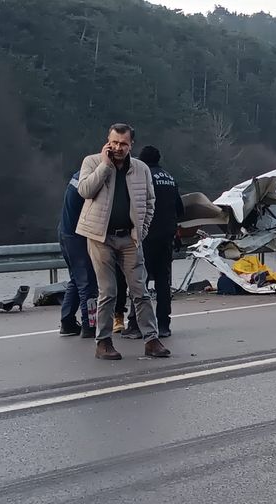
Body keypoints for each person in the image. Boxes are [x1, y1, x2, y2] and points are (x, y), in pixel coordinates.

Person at [76, 123, 170, 360]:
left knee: (140, 290)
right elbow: (85, 190)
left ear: (131, 145)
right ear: (107, 141)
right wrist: (106, 167)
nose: (118, 147)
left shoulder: (141, 169)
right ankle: (103, 342)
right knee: (107, 291)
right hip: (100, 236)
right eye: (114, 142)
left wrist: (143, 229)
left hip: (129, 237)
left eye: (123, 144)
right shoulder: (92, 162)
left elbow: (150, 201)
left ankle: (151, 340)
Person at [122, 145, 183, 339]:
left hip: (145, 236)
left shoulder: (143, 177)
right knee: (164, 282)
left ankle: (135, 325)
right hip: (167, 236)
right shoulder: (170, 178)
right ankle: (164, 325)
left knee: (139, 281)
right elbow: (180, 209)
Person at [57, 170, 98, 338]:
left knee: (77, 278)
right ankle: (90, 325)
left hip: (65, 232)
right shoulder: (94, 180)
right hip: (77, 236)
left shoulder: (79, 175)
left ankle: (67, 322)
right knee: (87, 282)